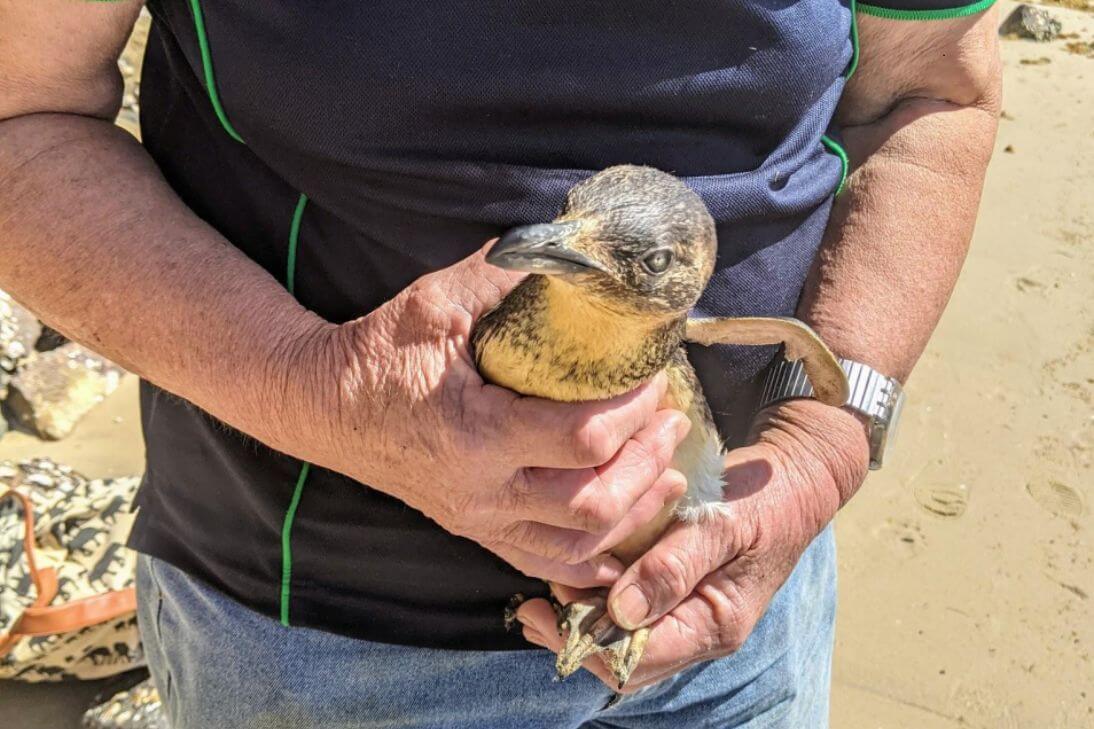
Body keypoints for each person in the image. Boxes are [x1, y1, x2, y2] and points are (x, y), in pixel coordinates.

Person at [0, 0, 1001, 726]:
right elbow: (20, 111)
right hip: (322, 651)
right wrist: (308, 382)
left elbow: (932, 87)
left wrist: (823, 438)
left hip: (745, 610)